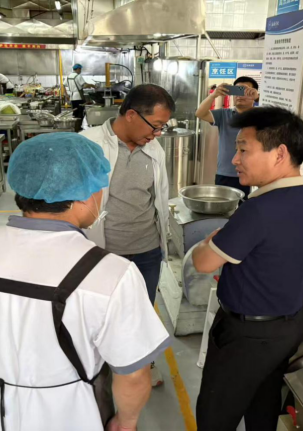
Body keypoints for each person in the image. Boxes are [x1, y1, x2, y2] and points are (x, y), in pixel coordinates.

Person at [0, 133, 171, 431]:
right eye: (100, 186)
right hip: (74, 414)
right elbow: (134, 375)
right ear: (82, 195)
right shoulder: (112, 274)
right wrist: (126, 422)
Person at [191, 107, 303, 431]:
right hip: (290, 325)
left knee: (216, 414)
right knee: (263, 405)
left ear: (280, 154)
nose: (235, 159)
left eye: (243, 149)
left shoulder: (258, 210)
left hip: (246, 334)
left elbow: (203, 263)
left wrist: (208, 242)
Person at [80, 84, 173, 387]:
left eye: (162, 127)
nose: (157, 133)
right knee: (100, 314)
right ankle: (100, 367)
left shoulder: (153, 149)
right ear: (131, 114)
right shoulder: (88, 144)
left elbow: (158, 198)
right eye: (155, 125)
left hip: (147, 249)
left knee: (142, 310)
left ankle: (142, 363)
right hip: (103, 251)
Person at [195, 76, 259, 198]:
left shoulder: (260, 116)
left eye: (245, 91)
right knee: (223, 205)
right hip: (226, 173)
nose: (239, 96)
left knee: (248, 206)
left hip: (252, 173)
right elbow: (200, 113)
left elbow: (278, 118)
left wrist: (258, 98)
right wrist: (214, 95)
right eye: (237, 91)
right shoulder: (224, 114)